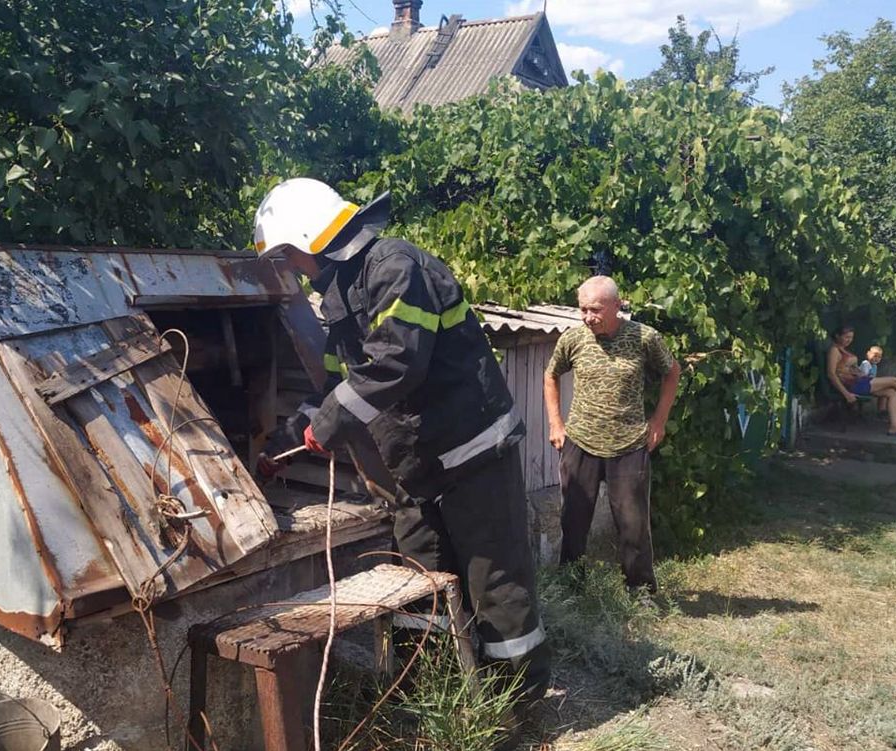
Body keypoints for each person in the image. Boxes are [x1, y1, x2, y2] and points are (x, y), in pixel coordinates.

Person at [252, 178, 550, 704]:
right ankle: (433, 699)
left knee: (494, 584)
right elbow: (333, 389)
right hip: (417, 470)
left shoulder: (395, 268)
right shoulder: (342, 299)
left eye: (290, 256)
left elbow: (395, 362)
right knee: (418, 585)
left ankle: (516, 709)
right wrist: (285, 441)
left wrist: (326, 426)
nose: (291, 268)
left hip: (472, 454)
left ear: (310, 240)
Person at [543, 276, 680, 595]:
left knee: (633, 526)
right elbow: (551, 374)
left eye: (595, 310)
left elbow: (672, 373)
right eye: (583, 310)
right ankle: (571, 587)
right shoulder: (573, 339)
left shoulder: (645, 338)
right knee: (573, 522)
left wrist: (659, 421)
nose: (588, 317)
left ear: (617, 306)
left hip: (629, 444)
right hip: (580, 443)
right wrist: (555, 423)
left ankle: (640, 591)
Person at [827, 326, 896, 436]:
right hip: (853, 385)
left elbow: (846, 367)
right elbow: (831, 374)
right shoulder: (834, 350)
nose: (849, 340)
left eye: (851, 337)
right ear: (837, 336)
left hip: (860, 381)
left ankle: (894, 427)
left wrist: (857, 371)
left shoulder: (843, 350)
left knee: (892, 392)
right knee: (894, 380)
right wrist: (846, 394)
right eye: (846, 337)